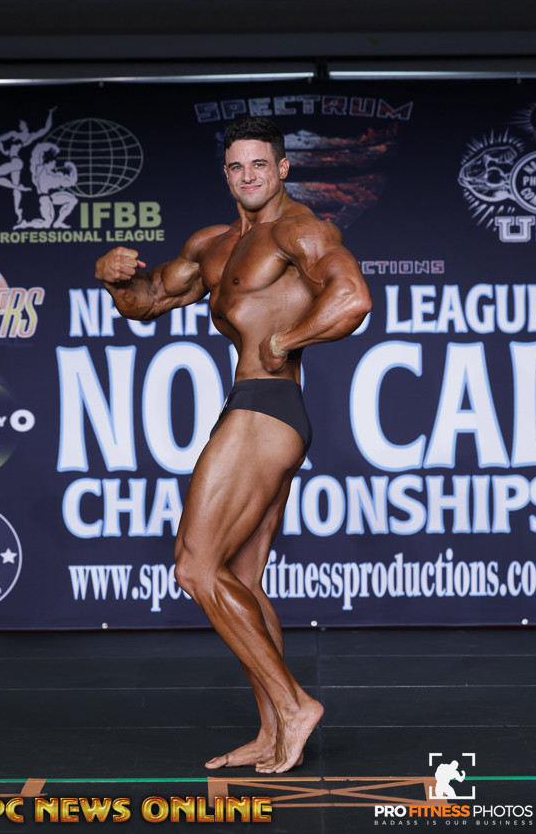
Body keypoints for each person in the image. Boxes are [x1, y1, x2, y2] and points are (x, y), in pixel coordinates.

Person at [95, 116, 372, 774]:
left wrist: (285, 340)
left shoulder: (300, 230)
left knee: (194, 567)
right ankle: (273, 732)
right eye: (236, 167)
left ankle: (295, 706)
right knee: (241, 580)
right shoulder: (214, 245)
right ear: (226, 173)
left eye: (260, 165)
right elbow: (147, 301)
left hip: (266, 407)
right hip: (256, 407)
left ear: (282, 168)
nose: (249, 177)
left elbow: (354, 298)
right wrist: (111, 278)